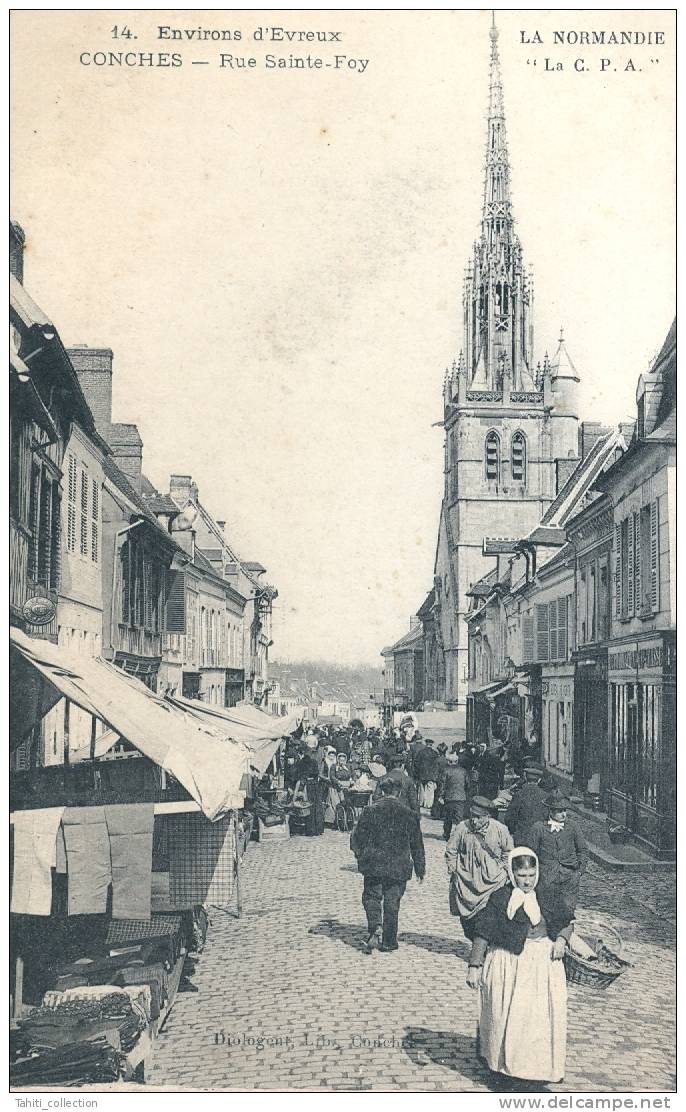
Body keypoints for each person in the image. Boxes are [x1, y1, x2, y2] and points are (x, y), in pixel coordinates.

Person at [466, 848, 571, 1085]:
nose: (527, 881)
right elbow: (482, 932)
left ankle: (534, 1069)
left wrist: (562, 940)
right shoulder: (501, 898)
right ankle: (503, 1067)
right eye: (522, 875)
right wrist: (474, 965)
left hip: (542, 963)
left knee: (536, 1019)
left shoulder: (548, 894)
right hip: (508, 963)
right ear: (513, 874)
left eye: (532, 875)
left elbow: (566, 922)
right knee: (506, 1015)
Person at [350, 777, 425, 953]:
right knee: (392, 901)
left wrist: (360, 855)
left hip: (374, 863)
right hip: (399, 865)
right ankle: (389, 941)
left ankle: (375, 925)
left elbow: (357, 837)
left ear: (382, 791)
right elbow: (417, 844)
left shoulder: (370, 810)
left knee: (371, 896)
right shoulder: (409, 814)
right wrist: (420, 868)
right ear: (398, 792)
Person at [445, 796, 513, 940]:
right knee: (466, 919)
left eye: (478, 817)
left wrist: (503, 868)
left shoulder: (500, 829)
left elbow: (508, 851)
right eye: (472, 816)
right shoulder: (462, 828)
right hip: (466, 880)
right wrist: (453, 869)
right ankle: (475, 940)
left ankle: (481, 948)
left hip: (492, 881)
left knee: (486, 917)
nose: (474, 820)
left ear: (487, 816)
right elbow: (451, 850)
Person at [529, 791, 588, 917]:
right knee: (546, 912)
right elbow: (531, 854)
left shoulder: (573, 826)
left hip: (569, 877)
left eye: (564, 810)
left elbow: (582, 849)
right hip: (547, 879)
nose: (563, 814)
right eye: (559, 811)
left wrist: (579, 871)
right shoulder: (538, 828)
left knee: (568, 911)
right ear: (550, 811)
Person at [504, 768, 556, 847]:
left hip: (521, 839)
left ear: (525, 778)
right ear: (539, 780)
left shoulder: (519, 794)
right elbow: (550, 818)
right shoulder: (546, 796)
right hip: (541, 840)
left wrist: (515, 831)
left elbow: (509, 818)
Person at [293, 736, 325, 836]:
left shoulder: (300, 763)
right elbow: (316, 773)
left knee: (308, 806)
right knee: (316, 806)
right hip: (315, 785)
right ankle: (318, 829)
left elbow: (297, 776)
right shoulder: (314, 762)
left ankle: (310, 830)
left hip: (306, 785)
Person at [440, 751, 470, 840]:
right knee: (459, 818)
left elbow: (442, 785)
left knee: (448, 817)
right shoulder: (463, 771)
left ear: (449, 762)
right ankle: (460, 835)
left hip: (449, 797)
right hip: (461, 797)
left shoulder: (446, 770)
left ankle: (446, 834)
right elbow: (468, 784)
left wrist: (441, 796)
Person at [414, 737, 441, 810]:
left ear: (426, 744)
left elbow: (416, 763)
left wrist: (418, 771)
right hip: (431, 775)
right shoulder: (435, 753)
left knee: (421, 789)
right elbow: (437, 765)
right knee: (430, 790)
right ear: (431, 744)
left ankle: (421, 803)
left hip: (422, 773)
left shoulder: (421, 752)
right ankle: (428, 804)